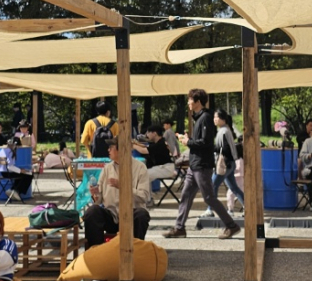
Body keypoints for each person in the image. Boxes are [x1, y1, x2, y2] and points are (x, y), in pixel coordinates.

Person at [165, 88, 240, 240]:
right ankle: (179, 227)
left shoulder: (205, 117)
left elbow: (206, 142)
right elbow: (200, 141)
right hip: (195, 165)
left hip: (202, 165)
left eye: (190, 100)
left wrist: (188, 142)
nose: (188, 103)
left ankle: (231, 225)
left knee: (209, 197)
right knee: (186, 195)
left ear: (198, 102)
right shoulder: (199, 118)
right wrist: (189, 139)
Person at [83, 135, 152, 248]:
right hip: (112, 215)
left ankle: (136, 253)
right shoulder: (107, 168)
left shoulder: (140, 168)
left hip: (131, 215)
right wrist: (95, 194)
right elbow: (99, 199)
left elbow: (143, 196)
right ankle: (95, 253)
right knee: (92, 212)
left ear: (122, 149)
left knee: (142, 215)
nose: (108, 150)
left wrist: (123, 187)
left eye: (111, 147)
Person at [211, 109, 245, 210]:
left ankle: (211, 209)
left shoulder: (224, 131)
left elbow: (225, 149)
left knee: (212, 186)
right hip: (230, 163)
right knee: (234, 188)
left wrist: (211, 147)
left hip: (224, 164)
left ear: (222, 119)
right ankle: (248, 207)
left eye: (216, 117)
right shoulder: (225, 130)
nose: (214, 119)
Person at [0, 136, 33, 201]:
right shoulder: (10, 151)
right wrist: (20, 170)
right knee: (29, 174)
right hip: (7, 173)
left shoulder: (3, 150)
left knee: (21, 175)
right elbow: (10, 166)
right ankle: (15, 190)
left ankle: (14, 189)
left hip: (1, 172)